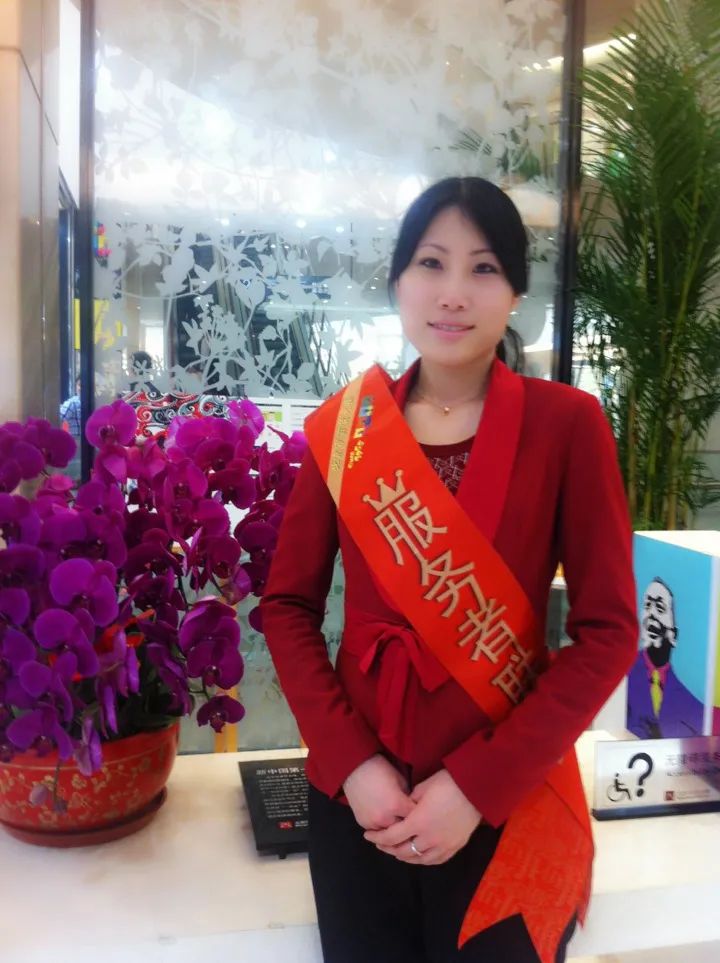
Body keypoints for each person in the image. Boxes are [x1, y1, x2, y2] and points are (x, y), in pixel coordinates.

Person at [260, 177, 638, 963]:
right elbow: (288, 607)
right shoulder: (346, 432)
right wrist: (352, 764)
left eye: (484, 268)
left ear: (517, 293)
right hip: (360, 807)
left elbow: (608, 633)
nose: (454, 293)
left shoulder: (568, 426)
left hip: (505, 799)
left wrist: (475, 785)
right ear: (398, 281)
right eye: (431, 263)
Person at [626, 577, 704, 738]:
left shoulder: (690, 704)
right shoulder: (622, 675)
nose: (651, 613)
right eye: (647, 605)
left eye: (660, 608)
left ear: (673, 635)